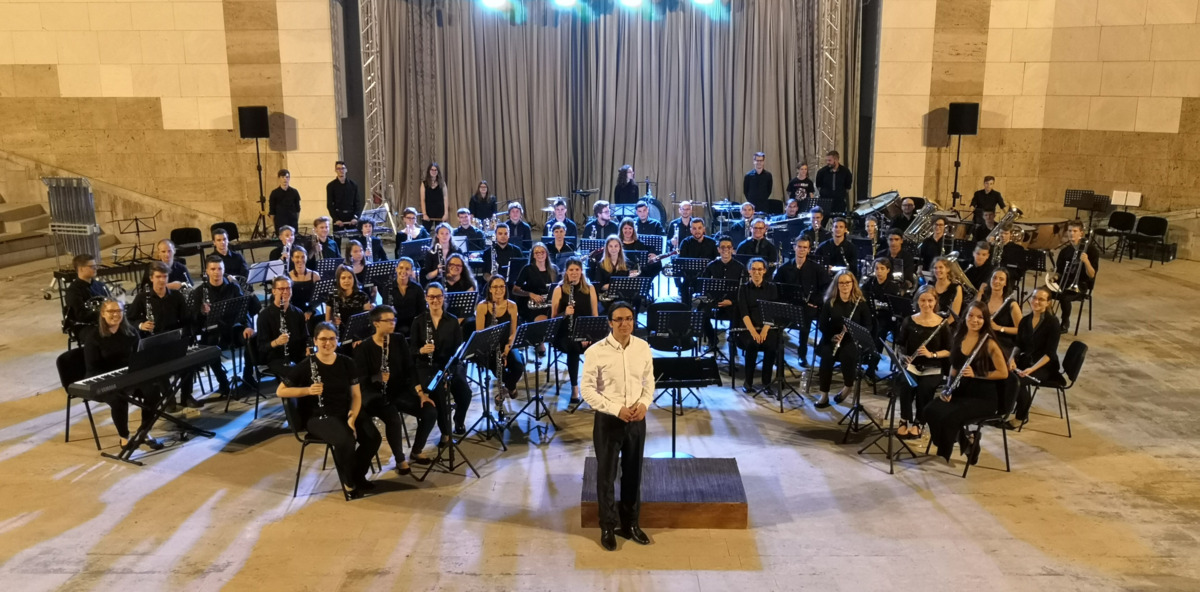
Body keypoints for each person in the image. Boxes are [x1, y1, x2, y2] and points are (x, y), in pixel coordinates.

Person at [580, 301, 654, 551]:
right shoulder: (596, 352)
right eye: (619, 319)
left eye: (629, 318)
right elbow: (587, 390)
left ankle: (631, 524)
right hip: (609, 420)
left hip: (636, 418)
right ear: (610, 323)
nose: (625, 324)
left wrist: (644, 404)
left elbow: (648, 381)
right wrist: (615, 409)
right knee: (606, 476)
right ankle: (608, 527)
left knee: (633, 474)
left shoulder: (642, 347)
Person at [276, 322, 370, 498]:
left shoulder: (347, 362)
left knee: (373, 437)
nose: (328, 343)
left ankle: (357, 474)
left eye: (332, 338)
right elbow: (280, 391)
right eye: (323, 339)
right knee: (346, 441)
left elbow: (356, 395)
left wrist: (352, 417)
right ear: (315, 341)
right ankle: (349, 482)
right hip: (319, 416)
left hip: (345, 411)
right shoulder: (306, 365)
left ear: (338, 339)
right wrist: (308, 390)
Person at [351, 305, 433, 477]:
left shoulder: (399, 339)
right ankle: (400, 459)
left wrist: (420, 393)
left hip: (398, 391)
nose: (392, 323)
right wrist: (378, 378)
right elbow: (361, 380)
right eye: (387, 320)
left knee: (430, 411)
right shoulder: (363, 347)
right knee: (393, 419)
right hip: (375, 395)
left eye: (393, 319)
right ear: (376, 323)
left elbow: (410, 368)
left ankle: (416, 450)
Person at [923, 301, 1009, 463]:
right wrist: (948, 388)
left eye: (980, 317)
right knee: (930, 410)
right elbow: (954, 367)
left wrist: (977, 374)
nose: (975, 320)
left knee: (950, 418)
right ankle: (968, 441)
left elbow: (1003, 373)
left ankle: (962, 446)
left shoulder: (989, 343)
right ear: (965, 317)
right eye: (971, 316)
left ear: (985, 320)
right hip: (961, 392)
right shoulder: (959, 337)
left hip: (983, 398)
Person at [83, 298, 164, 451]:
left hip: (128, 376)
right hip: (102, 380)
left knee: (153, 391)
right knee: (118, 399)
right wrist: (117, 378)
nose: (116, 314)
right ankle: (124, 437)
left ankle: (144, 431)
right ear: (102, 314)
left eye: (119, 311)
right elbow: (92, 368)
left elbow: (138, 357)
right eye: (111, 311)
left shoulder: (131, 332)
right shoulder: (93, 337)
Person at [411, 282, 473, 439]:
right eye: (431, 297)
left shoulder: (452, 320)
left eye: (438, 296)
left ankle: (459, 420)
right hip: (427, 367)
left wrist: (448, 372)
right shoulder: (418, 321)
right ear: (426, 298)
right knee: (438, 392)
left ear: (443, 297)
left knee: (465, 393)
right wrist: (421, 350)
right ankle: (446, 433)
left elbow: (458, 350)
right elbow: (411, 350)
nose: (435, 300)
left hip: (449, 365)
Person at [128, 262, 194, 410]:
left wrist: (186, 334)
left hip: (174, 339)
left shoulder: (176, 296)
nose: (162, 280)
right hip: (153, 342)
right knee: (159, 367)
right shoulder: (142, 298)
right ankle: (169, 399)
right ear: (151, 278)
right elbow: (129, 319)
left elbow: (186, 319)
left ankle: (186, 396)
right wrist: (141, 325)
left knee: (189, 363)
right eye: (158, 277)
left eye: (165, 276)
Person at [193, 255, 259, 398]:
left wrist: (247, 326)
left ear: (224, 270)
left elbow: (243, 309)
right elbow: (194, 321)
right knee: (209, 348)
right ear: (207, 271)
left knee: (251, 339)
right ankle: (223, 383)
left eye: (220, 269)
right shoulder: (199, 292)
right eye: (213, 269)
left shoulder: (233, 287)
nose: (217, 272)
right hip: (212, 332)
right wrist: (202, 312)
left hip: (232, 329)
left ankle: (248, 376)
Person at [893, 286, 951, 439]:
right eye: (923, 300)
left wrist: (931, 354)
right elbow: (900, 344)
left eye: (930, 300)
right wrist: (903, 356)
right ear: (917, 301)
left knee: (925, 388)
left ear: (935, 302)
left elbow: (949, 350)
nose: (926, 304)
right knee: (906, 384)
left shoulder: (942, 324)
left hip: (934, 367)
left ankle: (919, 422)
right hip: (912, 365)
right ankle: (904, 419)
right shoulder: (909, 321)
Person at [814, 270, 872, 408]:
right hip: (833, 337)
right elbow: (822, 324)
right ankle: (824, 395)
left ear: (853, 284)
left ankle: (847, 387)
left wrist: (855, 332)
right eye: (841, 283)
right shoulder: (830, 302)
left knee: (848, 356)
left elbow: (868, 325)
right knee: (826, 358)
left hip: (852, 338)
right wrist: (832, 336)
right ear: (836, 285)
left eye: (847, 282)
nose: (845, 285)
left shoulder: (860, 303)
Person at [1009, 286, 1065, 430]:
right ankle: (1004, 409)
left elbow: (1050, 354)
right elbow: (1018, 344)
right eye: (1034, 298)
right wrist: (1012, 359)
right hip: (1027, 360)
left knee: (1017, 382)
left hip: (1045, 366)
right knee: (1004, 374)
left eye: (1041, 299)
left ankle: (1021, 417)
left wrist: (1031, 369)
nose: (1036, 302)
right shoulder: (1025, 321)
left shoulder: (1053, 323)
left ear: (1048, 303)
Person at [552, 258, 599, 408]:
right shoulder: (559, 289)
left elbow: (595, 315)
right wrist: (564, 313)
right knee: (573, 346)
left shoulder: (590, 288)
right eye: (571, 270)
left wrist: (588, 335)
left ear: (581, 271)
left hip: (586, 333)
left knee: (601, 346)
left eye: (577, 270)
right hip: (564, 333)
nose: (574, 273)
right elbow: (552, 319)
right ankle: (575, 388)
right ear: (566, 272)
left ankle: (595, 386)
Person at [773, 236, 825, 366]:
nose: (801, 250)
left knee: (805, 318)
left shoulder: (816, 269)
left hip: (808, 306)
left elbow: (826, 288)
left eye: (805, 247)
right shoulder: (784, 268)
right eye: (799, 247)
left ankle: (802, 354)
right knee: (775, 318)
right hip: (788, 305)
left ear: (809, 250)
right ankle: (778, 354)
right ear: (794, 247)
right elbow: (776, 287)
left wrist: (815, 301)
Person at [476, 277, 523, 409]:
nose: (499, 290)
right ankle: (511, 388)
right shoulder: (482, 306)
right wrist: (495, 351)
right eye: (495, 287)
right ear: (490, 289)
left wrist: (507, 350)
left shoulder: (512, 306)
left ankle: (506, 388)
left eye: (502, 286)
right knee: (499, 368)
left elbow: (513, 332)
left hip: (507, 344)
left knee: (518, 366)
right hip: (489, 346)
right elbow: (480, 333)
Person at [736, 258, 780, 393]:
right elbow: (744, 313)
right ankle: (748, 382)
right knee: (752, 344)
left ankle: (766, 383)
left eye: (760, 269)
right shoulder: (743, 288)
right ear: (749, 271)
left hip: (767, 326)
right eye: (753, 269)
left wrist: (764, 331)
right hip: (749, 328)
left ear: (764, 271)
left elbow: (772, 312)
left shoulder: (772, 288)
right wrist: (754, 333)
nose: (756, 272)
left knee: (771, 346)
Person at [256, 276, 309, 379]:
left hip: (297, 354)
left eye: (288, 288)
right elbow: (261, 347)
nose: (285, 292)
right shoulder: (264, 316)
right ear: (274, 291)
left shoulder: (298, 312)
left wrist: (308, 347)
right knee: (296, 374)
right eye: (281, 289)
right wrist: (277, 342)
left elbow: (305, 337)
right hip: (276, 357)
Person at [700, 236, 746, 353]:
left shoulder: (740, 267)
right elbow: (704, 288)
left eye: (728, 247)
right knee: (700, 312)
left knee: (738, 311)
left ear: (732, 249)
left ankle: (733, 341)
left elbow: (743, 291)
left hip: (732, 303)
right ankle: (712, 340)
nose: (726, 249)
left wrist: (732, 301)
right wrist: (712, 300)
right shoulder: (711, 266)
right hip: (714, 302)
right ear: (718, 249)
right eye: (723, 247)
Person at [1054, 220, 1099, 333]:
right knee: (1043, 292)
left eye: (1075, 231)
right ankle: (1050, 321)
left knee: (1064, 297)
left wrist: (1086, 261)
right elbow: (1059, 272)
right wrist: (1053, 278)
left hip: (1081, 285)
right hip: (1064, 282)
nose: (1071, 234)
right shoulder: (1065, 251)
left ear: (1081, 233)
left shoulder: (1091, 250)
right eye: (1069, 231)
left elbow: (1092, 274)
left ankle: (1065, 323)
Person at [64, 253, 110, 341]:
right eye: (92, 266)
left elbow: (110, 302)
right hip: (84, 326)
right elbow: (81, 315)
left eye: (96, 266)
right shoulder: (73, 291)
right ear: (81, 269)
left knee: (127, 329)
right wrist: (104, 314)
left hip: (104, 321)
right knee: (100, 336)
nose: (96, 268)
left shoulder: (100, 285)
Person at [324, 265, 373, 345]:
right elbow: (327, 322)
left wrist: (361, 338)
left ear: (354, 279)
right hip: (339, 335)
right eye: (343, 278)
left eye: (350, 277)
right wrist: (333, 322)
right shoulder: (332, 296)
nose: (347, 281)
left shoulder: (362, 296)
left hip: (359, 334)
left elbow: (367, 321)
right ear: (338, 280)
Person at [513, 243, 558, 325]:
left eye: (542, 252)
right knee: (544, 323)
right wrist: (530, 294)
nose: (540, 254)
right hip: (533, 306)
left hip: (550, 304)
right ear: (533, 255)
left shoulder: (554, 269)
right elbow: (515, 290)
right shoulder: (527, 269)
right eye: (537, 252)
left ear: (546, 254)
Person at [979, 268, 1022, 355]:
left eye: (1001, 279)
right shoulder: (983, 299)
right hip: (983, 339)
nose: (996, 281)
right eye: (994, 278)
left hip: (1003, 343)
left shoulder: (1011, 304)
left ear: (1005, 283)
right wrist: (979, 293)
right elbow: (972, 312)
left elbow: (1021, 330)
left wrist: (999, 328)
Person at [384, 257, 425, 338]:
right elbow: (385, 309)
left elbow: (422, 310)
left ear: (411, 271)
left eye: (407, 269)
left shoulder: (417, 288)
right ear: (396, 269)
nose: (403, 271)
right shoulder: (388, 288)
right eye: (401, 268)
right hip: (394, 326)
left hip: (413, 325)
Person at [814, 150, 853, 214]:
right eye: (827, 160)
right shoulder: (822, 172)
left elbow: (848, 186)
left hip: (839, 203)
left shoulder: (845, 172)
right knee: (824, 219)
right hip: (825, 202)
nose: (827, 162)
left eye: (829, 160)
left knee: (839, 219)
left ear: (836, 160)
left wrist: (839, 194)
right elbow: (818, 185)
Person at [287, 245, 319, 320]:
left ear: (306, 258)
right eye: (297, 257)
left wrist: (310, 311)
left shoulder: (315, 275)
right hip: (293, 310)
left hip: (311, 309)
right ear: (292, 259)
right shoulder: (287, 276)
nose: (300, 260)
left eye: (303, 257)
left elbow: (319, 297)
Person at [327, 161, 362, 229]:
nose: (341, 170)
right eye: (338, 169)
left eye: (343, 168)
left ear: (346, 170)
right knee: (338, 236)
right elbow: (329, 205)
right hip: (338, 217)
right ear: (335, 170)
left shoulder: (353, 185)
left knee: (353, 236)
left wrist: (355, 217)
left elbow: (357, 203)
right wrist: (336, 219)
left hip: (351, 217)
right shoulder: (330, 186)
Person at [931, 256, 965, 321]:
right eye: (935, 268)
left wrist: (941, 326)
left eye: (941, 267)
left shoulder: (956, 288)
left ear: (948, 269)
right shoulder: (930, 285)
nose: (937, 270)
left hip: (947, 324)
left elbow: (954, 315)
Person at [268, 169, 301, 233]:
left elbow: (298, 209)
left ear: (289, 178)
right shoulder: (274, 193)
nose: (285, 179)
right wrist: (274, 225)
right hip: (280, 223)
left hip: (292, 223)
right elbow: (272, 211)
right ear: (279, 178)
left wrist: (296, 221)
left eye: (287, 177)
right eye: (282, 177)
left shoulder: (294, 192)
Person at [419, 162, 447, 228]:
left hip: (440, 211)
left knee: (441, 230)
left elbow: (445, 198)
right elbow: (422, 200)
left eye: (435, 170)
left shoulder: (442, 183)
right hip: (428, 211)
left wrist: (446, 214)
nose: (434, 172)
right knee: (426, 230)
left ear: (438, 171)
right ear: (429, 171)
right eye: (432, 170)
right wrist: (424, 214)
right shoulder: (424, 184)